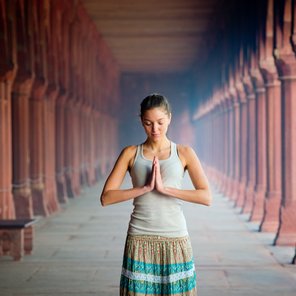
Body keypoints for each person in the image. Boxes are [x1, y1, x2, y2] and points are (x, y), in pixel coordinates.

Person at [100, 94, 212, 296]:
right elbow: (106, 197)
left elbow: (206, 197)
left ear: (169, 118)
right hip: (140, 236)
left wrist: (165, 189)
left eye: (160, 122)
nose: (155, 129)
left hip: (175, 237)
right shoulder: (131, 153)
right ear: (141, 122)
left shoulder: (184, 152)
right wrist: (143, 189)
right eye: (148, 123)